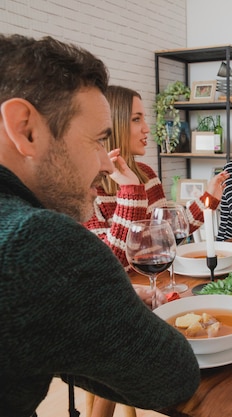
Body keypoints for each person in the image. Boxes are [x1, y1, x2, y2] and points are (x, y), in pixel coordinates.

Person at [0, 34, 200, 417]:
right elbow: (173, 377)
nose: (107, 162)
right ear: (25, 129)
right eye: (98, 140)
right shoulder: (33, 241)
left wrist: (99, 300)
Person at [83, 85, 228, 270]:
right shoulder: (89, 187)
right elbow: (109, 265)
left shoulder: (147, 175)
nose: (147, 129)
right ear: (113, 124)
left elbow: (168, 232)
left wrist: (210, 196)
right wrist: (131, 194)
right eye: (136, 119)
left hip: (158, 282)